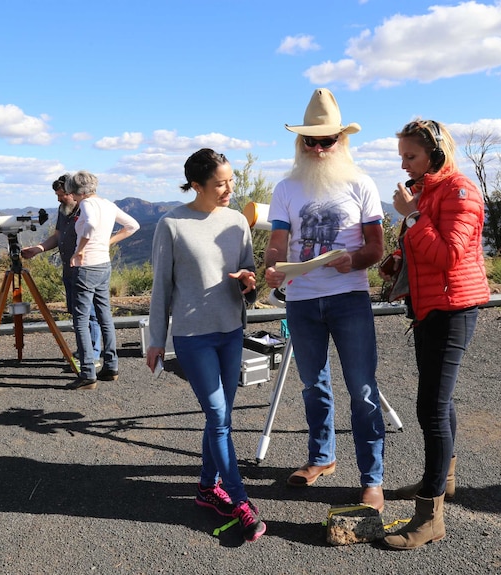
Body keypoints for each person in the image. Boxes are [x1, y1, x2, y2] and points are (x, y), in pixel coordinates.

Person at [263, 88, 386, 512]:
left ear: (340, 141)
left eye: (325, 140)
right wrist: (273, 266)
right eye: (309, 141)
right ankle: (321, 458)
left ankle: (372, 479)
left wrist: (353, 260)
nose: (317, 148)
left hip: (349, 298)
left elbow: (377, 250)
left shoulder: (362, 184)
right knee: (313, 386)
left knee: (362, 389)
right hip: (301, 300)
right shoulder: (286, 187)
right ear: (300, 143)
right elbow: (277, 242)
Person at [380, 119, 490, 550]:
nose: (405, 165)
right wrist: (397, 258)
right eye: (402, 157)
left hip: (453, 308)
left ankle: (430, 515)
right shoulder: (427, 192)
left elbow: (447, 255)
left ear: (437, 154)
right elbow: (424, 247)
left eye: (412, 156)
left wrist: (411, 215)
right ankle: (442, 480)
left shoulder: (460, 191)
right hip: (429, 308)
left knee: (430, 407)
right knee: (439, 402)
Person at [145, 148, 265, 542]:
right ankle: (240, 499)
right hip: (193, 336)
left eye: (231, 179)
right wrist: (156, 341)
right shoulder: (172, 224)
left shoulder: (236, 221)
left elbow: (248, 280)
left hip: (231, 330)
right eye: (220, 183)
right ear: (197, 185)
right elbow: (161, 286)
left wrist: (249, 284)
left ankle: (204, 489)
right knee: (219, 416)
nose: (230, 188)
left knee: (221, 417)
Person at [64, 170, 139, 390]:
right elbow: (133, 226)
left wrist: (79, 251)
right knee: (105, 316)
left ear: (75, 190)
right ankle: (111, 366)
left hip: (86, 266)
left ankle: (87, 373)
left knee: (81, 319)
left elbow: (90, 226)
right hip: (104, 265)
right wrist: (109, 242)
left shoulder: (87, 205)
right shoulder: (108, 204)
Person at [21, 175, 102, 370]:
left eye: (61, 195)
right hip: (69, 268)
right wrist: (39, 248)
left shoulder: (88, 209)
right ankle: (85, 350)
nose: (58, 199)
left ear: (73, 193)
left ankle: (92, 355)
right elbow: (58, 236)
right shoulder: (63, 210)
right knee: (76, 312)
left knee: (89, 313)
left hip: (84, 268)